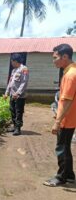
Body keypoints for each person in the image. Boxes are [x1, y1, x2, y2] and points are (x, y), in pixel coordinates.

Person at [44, 44, 76, 187]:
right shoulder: (71, 71)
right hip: (69, 117)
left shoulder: (70, 75)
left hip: (67, 119)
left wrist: (58, 121)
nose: (53, 61)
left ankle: (61, 177)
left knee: (61, 147)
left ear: (65, 57)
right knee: (66, 146)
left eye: (55, 57)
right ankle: (69, 175)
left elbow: (67, 100)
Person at [3, 53, 29, 136]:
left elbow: (24, 83)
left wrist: (18, 93)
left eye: (12, 61)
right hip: (12, 95)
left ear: (16, 61)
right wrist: (6, 93)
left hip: (20, 96)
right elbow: (10, 83)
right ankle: (14, 126)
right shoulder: (14, 70)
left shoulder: (24, 69)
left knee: (18, 112)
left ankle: (18, 128)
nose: (11, 63)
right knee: (12, 111)